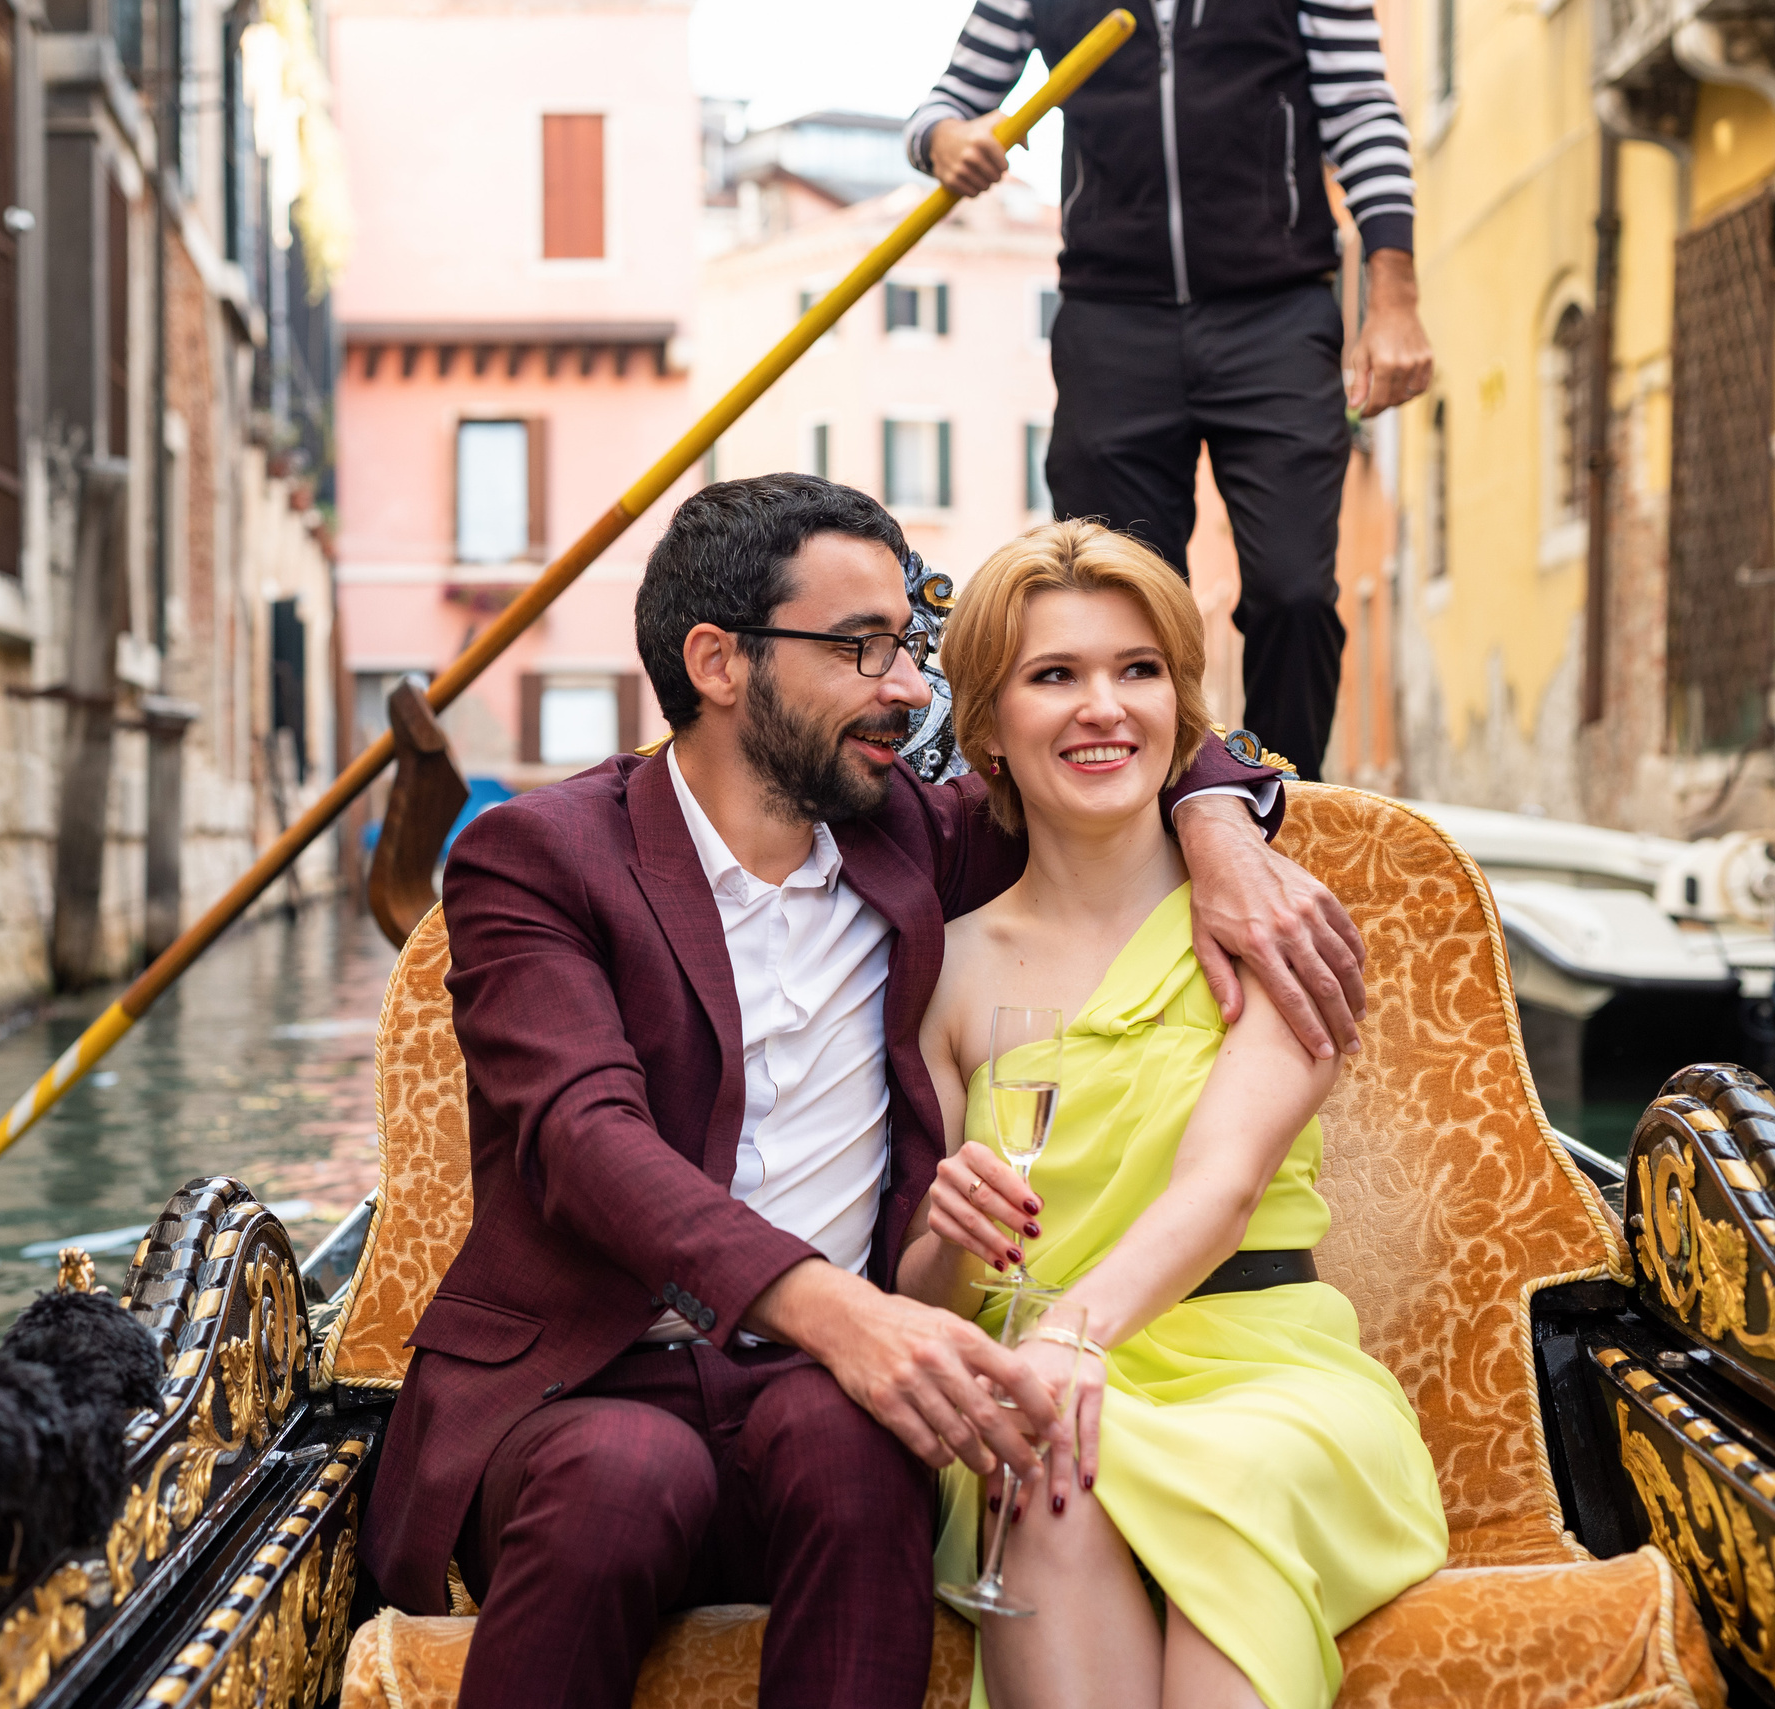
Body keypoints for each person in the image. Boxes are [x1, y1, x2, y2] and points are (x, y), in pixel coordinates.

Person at [360, 474, 1373, 1708]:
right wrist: (845, 1315)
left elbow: (1107, 735)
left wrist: (1221, 827)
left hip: (824, 1387)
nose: (907, 688)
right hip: (593, 1373)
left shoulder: (916, 835)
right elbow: (585, 1138)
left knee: (864, 1453)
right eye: (862, 648)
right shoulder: (539, 858)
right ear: (718, 661)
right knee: (626, 1477)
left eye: (908, 645)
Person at [904, 519, 1446, 1709]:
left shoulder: (1264, 925)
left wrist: (1067, 1338)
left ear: (1181, 704)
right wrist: (946, 1235)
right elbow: (918, 1302)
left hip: (1266, 1376)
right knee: (1050, 1464)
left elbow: (1223, 1185)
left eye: (1136, 670)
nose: (1104, 706)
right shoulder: (942, 972)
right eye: (1055, 675)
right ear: (987, 727)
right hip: (1037, 1387)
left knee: (1191, 1468)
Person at [907, 0, 1435, 779]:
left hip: (1277, 312)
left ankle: (1282, 808)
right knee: (1112, 604)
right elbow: (942, 105)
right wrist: (947, 139)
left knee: (1294, 591)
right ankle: (1143, 813)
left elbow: (1360, 107)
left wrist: (1393, 298)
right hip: (1112, 321)